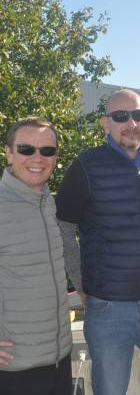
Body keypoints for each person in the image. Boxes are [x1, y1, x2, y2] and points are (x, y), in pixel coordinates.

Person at [56, 89, 140, 395]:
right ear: (106, 123)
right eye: (120, 116)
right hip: (108, 311)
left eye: (138, 115)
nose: (131, 123)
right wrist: (83, 285)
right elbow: (64, 228)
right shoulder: (85, 166)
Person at [0, 117, 72, 395]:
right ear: (9, 153)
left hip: (59, 360)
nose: (37, 158)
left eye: (47, 150)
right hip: (15, 369)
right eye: (26, 149)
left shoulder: (47, 203)